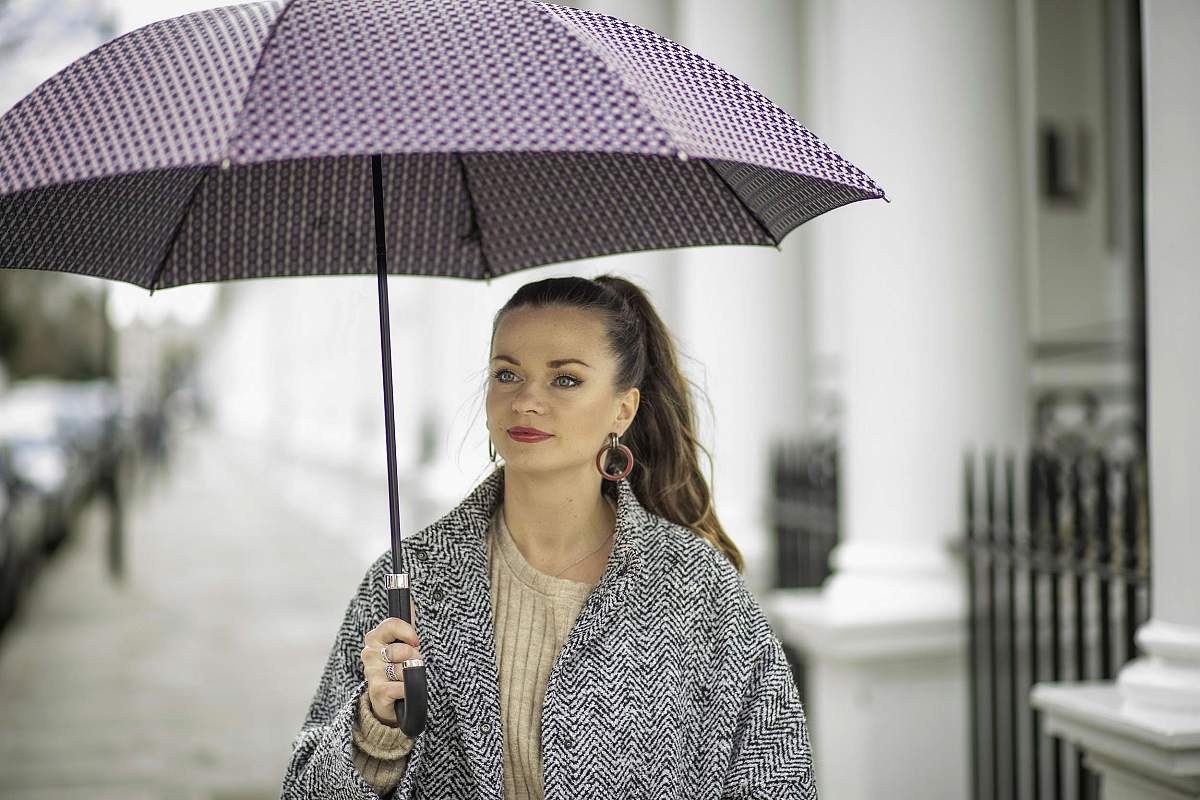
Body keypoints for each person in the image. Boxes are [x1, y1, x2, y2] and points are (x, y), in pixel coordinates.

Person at [279, 275, 817, 800]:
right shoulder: (410, 579)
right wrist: (375, 727)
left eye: (565, 380)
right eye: (507, 374)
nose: (526, 400)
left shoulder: (696, 584)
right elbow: (305, 790)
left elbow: (778, 780)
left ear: (623, 409)